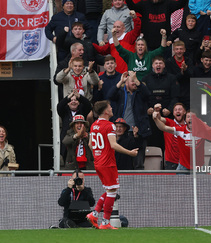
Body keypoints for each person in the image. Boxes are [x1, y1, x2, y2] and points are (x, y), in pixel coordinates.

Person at [86, 100, 138, 229]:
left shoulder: (94, 125)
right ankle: (104, 222)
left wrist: (98, 156)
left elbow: (90, 145)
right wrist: (130, 153)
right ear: (105, 111)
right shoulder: (110, 126)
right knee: (112, 191)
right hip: (108, 163)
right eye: (110, 107)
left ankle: (95, 214)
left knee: (110, 190)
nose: (112, 108)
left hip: (98, 163)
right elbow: (113, 145)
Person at [108, 71, 151, 170]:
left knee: (138, 162)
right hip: (122, 132)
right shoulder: (120, 93)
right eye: (132, 81)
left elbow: (148, 94)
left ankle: (138, 183)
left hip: (138, 132)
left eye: (136, 81)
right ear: (126, 83)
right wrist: (120, 82)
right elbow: (110, 95)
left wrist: (135, 79)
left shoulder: (141, 93)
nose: (135, 83)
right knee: (121, 159)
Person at [57, 90, 93, 163]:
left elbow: (88, 105)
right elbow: (59, 106)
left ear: (79, 102)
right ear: (68, 103)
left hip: (82, 140)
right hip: (67, 139)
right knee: (67, 159)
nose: (73, 101)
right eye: (71, 100)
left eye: (76, 100)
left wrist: (79, 97)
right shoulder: (64, 111)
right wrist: (68, 97)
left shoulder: (82, 109)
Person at [153, 103, 187, 170]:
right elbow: (160, 118)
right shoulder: (169, 123)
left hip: (186, 162)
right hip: (171, 163)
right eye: (175, 110)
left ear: (184, 112)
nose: (177, 111)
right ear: (173, 113)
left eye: (180, 109)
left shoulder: (189, 126)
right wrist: (157, 112)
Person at [165, 40, 194, 110]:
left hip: (187, 94)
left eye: (181, 49)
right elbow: (170, 79)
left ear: (184, 50)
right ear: (174, 50)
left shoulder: (188, 61)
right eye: (177, 49)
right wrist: (181, 73)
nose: (179, 51)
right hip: (175, 95)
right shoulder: (169, 62)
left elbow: (192, 76)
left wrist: (186, 70)